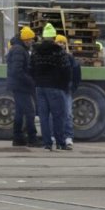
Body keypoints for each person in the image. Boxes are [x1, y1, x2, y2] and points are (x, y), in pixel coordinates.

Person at [31, 23, 72, 151]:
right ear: (54, 37)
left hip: (40, 87)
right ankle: (60, 143)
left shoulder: (36, 51)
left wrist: (37, 81)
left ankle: (47, 143)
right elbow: (66, 69)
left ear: (43, 37)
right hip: (56, 87)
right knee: (58, 116)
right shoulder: (58, 51)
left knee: (43, 116)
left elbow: (30, 68)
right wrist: (64, 85)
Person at [6, 26, 39, 147]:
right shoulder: (19, 50)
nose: (32, 42)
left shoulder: (19, 48)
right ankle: (32, 138)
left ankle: (18, 137)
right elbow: (17, 71)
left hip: (19, 85)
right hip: (21, 86)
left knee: (20, 112)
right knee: (30, 112)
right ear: (26, 40)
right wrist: (30, 81)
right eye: (31, 40)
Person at [55, 34, 82, 149]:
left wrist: (72, 87)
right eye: (58, 42)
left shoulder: (70, 58)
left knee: (67, 113)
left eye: (62, 42)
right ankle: (54, 136)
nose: (60, 44)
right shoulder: (52, 57)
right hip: (56, 89)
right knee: (55, 113)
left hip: (66, 89)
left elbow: (77, 74)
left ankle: (68, 137)